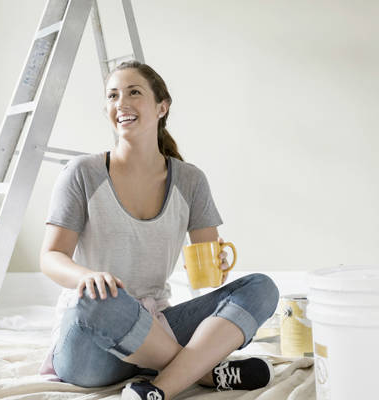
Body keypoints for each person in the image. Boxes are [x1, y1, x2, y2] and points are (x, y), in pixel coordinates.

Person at [38, 60, 279, 400]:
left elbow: (208, 275)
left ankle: (159, 389)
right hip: (92, 346)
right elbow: (51, 257)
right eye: (112, 96)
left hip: (157, 330)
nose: (120, 103)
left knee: (262, 288)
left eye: (133, 92)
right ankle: (205, 372)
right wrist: (84, 278)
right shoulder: (81, 173)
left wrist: (219, 266)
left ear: (161, 107)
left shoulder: (191, 180)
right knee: (95, 298)